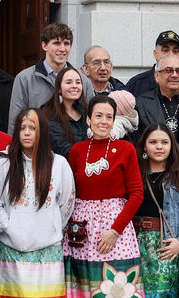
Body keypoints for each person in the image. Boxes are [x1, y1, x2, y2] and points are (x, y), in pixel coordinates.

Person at [0, 109, 76, 298]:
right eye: (22, 128)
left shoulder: (58, 164)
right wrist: (6, 226)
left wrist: (53, 227)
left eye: (33, 128)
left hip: (47, 250)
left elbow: (67, 203)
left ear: (42, 131)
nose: (27, 132)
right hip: (9, 249)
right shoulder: (1, 162)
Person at [64, 95, 144, 297]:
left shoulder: (126, 149)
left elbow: (136, 194)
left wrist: (115, 231)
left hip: (115, 227)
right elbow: (70, 193)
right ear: (88, 119)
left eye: (109, 117)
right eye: (98, 116)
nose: (104, 121)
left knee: (116, 286)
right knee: (84, 284)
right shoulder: (77, 151)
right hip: (82, 230)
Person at [133, 123, 179, 298]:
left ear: (172, 146)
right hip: (134, 244)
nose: (159, 146)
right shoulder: (135, 173)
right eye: (153, 142)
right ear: (144, 145)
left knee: (164, 292)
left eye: (165, 142)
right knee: (135, 292)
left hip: (167, 245)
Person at [8, 23, 94, 134]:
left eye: (66, 43)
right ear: (44, 46)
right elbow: (15, 121)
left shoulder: (83, 80)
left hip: (73, 146)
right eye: (56, 43)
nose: (62, 49)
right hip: (37, 146)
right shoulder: (25, 78)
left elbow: (92, 117)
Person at [125, 30, 179, 97]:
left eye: (175, 51)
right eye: (165, 50)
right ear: (155, 53)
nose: (170, 54)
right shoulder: (137, 84)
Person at [43, 67, 89, 157]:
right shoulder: (49, 115)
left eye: (78, 82)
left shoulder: (87, 112)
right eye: (68, 82)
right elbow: (62, 148)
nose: (74, 86)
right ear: (59, 89)